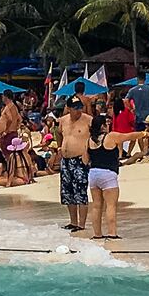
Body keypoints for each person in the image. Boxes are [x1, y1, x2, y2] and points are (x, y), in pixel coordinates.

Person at [55, 97, 92, 232]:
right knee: (67, 192)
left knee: (80, 191)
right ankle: (73, 222)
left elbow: (97, 136)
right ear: (69, 108)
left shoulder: (88, 120)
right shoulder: (63, 120)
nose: (79, 111)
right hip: (65, 160)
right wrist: (60, 147)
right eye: (75, 108)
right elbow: (58, 133)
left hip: (80, 160)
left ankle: (81, 224)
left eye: (80, 107)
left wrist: (89, 154)